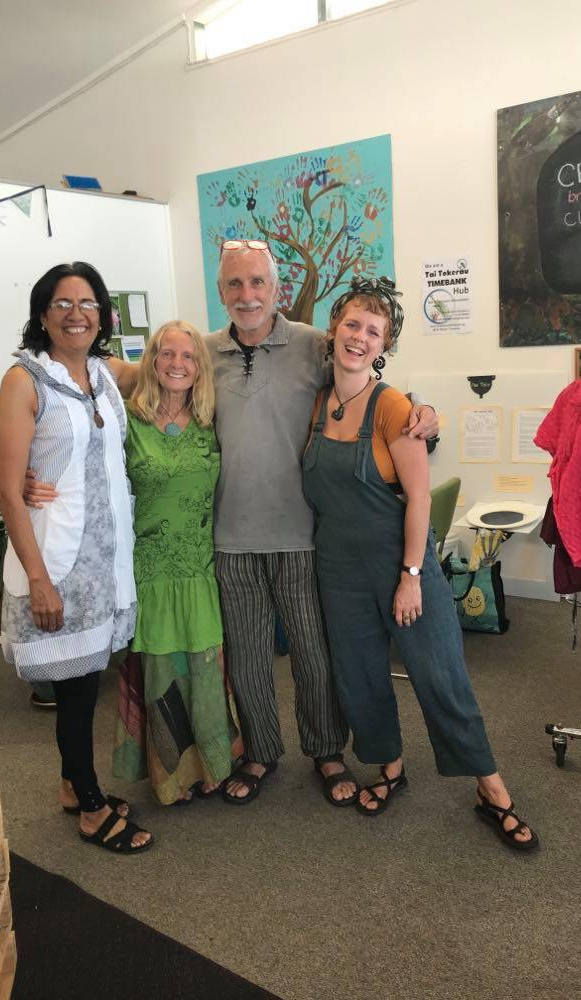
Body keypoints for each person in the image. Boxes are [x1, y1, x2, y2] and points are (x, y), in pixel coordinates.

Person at [301, 275, 538, 849]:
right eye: (352, 324)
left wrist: (410, 577)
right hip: (338, 572)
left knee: (440, 676)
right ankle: (389, 767)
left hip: (402, 566)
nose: (359, 337)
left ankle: (491, 788)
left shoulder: (394, 407)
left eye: (373, 331)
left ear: (384, 345)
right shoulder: (315, 403)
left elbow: (419, 500)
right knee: (360, 678)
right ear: (333, 329)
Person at [205, 240, 440, 806]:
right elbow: (149, 378)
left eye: (258, 282)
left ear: (276, 289)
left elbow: (368, 380)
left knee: (314, 655)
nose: (247, 295)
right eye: (235, 284)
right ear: (221, 291)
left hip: (303, 535)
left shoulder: (314, 343)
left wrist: (424, 411)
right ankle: (260, 751)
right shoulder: (204, 352)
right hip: (231, 538)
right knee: (249, 659)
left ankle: (327, 750)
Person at [0, 261, 153, 854]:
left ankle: (71, 784)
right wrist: (39, 580)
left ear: (104, 316)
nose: (76, 314)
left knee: (85, 679)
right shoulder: (24, 381)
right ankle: (90, 807)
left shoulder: (104, 373)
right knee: (77, 689)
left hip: (102, 563)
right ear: (43, 314)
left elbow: (172, 360)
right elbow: (9, 489)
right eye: (62, 304)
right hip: (57, 561)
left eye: (88, 304)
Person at [111, 321, 242, 804]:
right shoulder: (128, 421)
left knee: (206, 671)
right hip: (150, 568)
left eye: (188, 356)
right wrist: (34, 480)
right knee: (162, 675)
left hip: (200, 566)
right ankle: (170, 776)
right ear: (152, 360)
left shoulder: (212, 421)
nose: (177, 364)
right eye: (167, 354)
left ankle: (210, 765)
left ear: (200, 367)